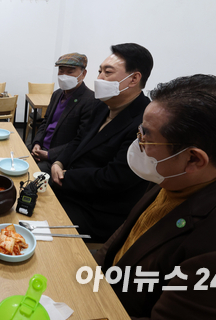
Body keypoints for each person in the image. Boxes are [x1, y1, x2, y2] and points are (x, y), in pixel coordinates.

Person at [94, 74, 216, 318]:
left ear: (193, 159)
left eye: (146, 137)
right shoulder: (177, 178)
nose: (139, 144)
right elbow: (125, 236)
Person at [51, 43, 154, 243]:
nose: (99, 79)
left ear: (133, 78)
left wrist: (66, 177)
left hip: (99, 210)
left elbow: (113, 179)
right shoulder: (102, 105)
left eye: (107, 72)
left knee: (40, 221)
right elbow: (79, 139)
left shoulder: (144, 122)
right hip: (73, 188)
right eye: (99, 71)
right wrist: (59, 162)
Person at [30, 52, 98, 174]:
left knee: (31, 176)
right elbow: (45, 121)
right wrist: (37, 142)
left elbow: (81, 139)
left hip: (58, 157)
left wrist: (50, 154)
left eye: (70, 71)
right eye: (61, 71)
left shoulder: (90, 100)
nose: (64, 75)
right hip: (41, 148)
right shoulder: (57, 94)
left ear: (83, 74)